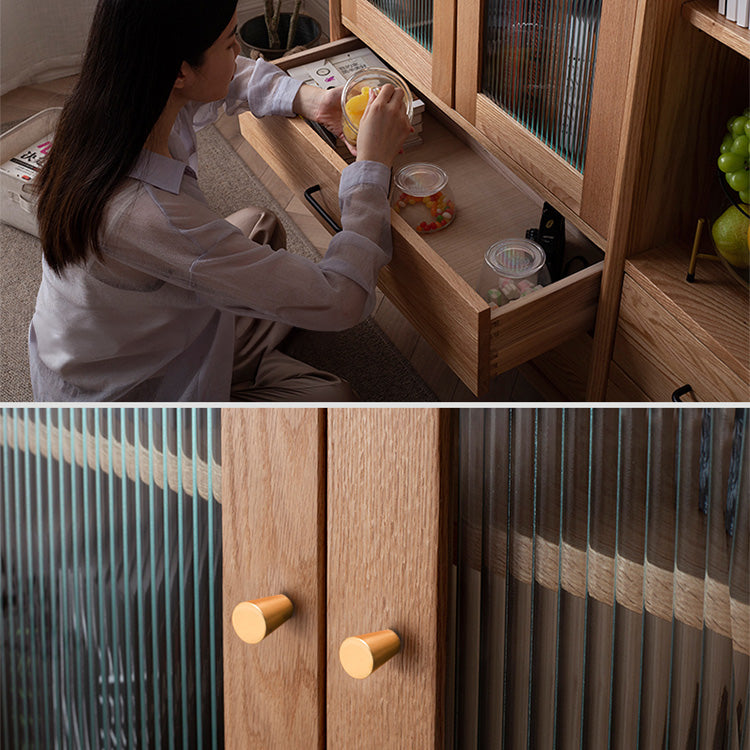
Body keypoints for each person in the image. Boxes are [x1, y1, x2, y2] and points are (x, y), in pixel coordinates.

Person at [30, 0, 411, 401]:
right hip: (133, 390)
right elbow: (343, 302)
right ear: (180, 71)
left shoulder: (121, 103)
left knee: (259, 225)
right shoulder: (149, 216)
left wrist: (308, 98)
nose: (239, 53)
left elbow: (227, 77)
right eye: (230, 43)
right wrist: (371, 165)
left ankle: (241, 355)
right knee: (333, 400)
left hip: (132, 333)